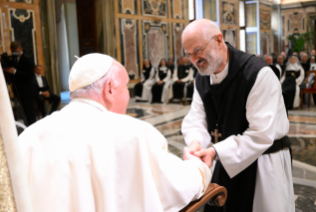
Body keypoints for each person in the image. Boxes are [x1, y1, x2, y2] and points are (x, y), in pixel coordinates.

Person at [19, 53, 212, 212]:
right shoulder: (133, 133)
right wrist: (198, 167)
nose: (128, 95)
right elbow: (176, 186)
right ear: (109, 89)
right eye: (126, 87)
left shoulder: (29, 137)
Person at [181, 19, 294, 212]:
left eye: (198, 51)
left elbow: (260, 134)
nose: (194, 60)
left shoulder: (258, 74)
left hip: (263, 164)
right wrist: (195, 144)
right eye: (189, 54)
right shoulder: (202, 78)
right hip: (225, 159)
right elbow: (196, 119)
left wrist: (216, 151)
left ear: (218, 40)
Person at [3, 41, 37, 126]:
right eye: (13, 51)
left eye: (16, 51)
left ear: (21, 49)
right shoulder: (13, 60)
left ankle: (32, 128)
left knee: (30, 113)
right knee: (24, 112)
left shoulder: (28, 59)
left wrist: (15, 71)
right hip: (18, 90)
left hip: (28, 91)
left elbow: (30, 75)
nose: (14, 53)